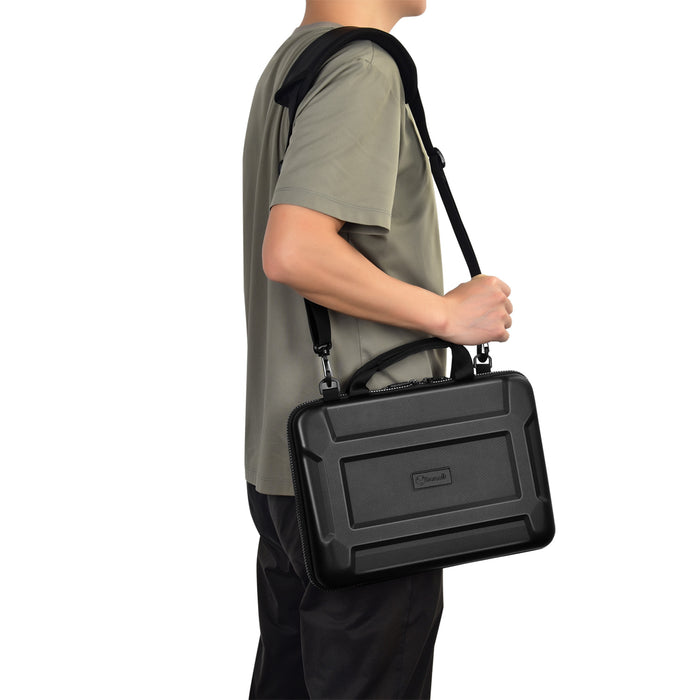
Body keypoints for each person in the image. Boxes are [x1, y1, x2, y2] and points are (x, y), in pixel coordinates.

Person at [242, 1, 513, 697]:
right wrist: (447, 314)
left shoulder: (297, 59)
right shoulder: (362, 67)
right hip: (370, 469)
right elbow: (295, 249)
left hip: (292, 461)